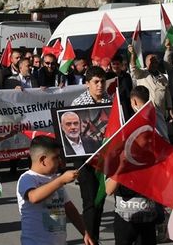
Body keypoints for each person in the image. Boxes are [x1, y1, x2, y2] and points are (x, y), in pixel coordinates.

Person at [17, 136, 94, 245]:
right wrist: (61, 180)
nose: (60, 161)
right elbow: (34, 197)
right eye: (56, 157)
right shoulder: (27, 178)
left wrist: (84, 231)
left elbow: (69, 208)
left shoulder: (54, 179)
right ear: (43, 160)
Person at [69, 66, 111, 242]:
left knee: (99, 200)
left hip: (104, 158)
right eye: (96, 82)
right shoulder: (78, 104)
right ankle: (90, 239)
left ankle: (94, 237)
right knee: (89, 201)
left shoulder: (111, 102)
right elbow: (71, 133)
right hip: (84, 159)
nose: (100, 85)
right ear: (87, 84)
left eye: (102, 81)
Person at [105, 174, 160, 245]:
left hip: (147, 219)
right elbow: (109, 190)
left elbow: (161, 187)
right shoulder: (117, 167)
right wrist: (120, 170)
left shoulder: (152, 166)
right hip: (124, 219)